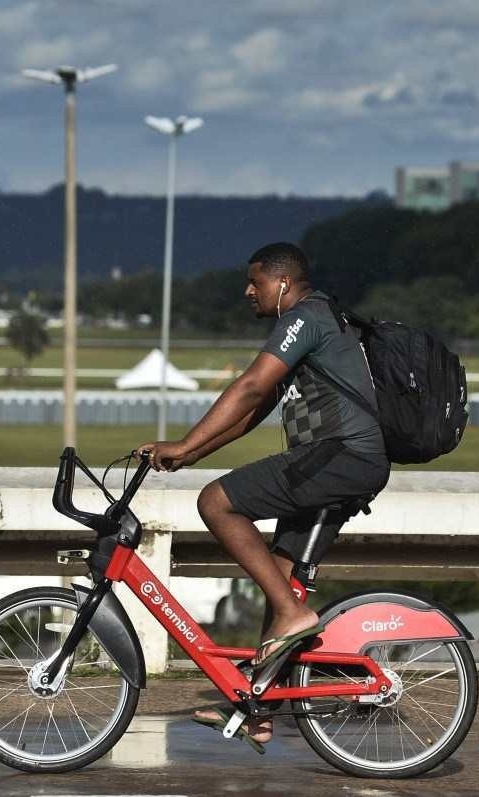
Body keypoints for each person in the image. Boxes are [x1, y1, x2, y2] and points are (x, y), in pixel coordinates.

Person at [138, 241, 390, 747]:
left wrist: (186, 443)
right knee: (279, 579)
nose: (247, 291)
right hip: (344, 461)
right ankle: (256, 706)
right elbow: (256, 409)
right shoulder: (315, 321)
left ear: (281, 285)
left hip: (341, 456)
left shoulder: (304, 317)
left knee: (216, 501)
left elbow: (251, 386)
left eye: (255, 283)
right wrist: (191, 453)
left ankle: (292, 618)